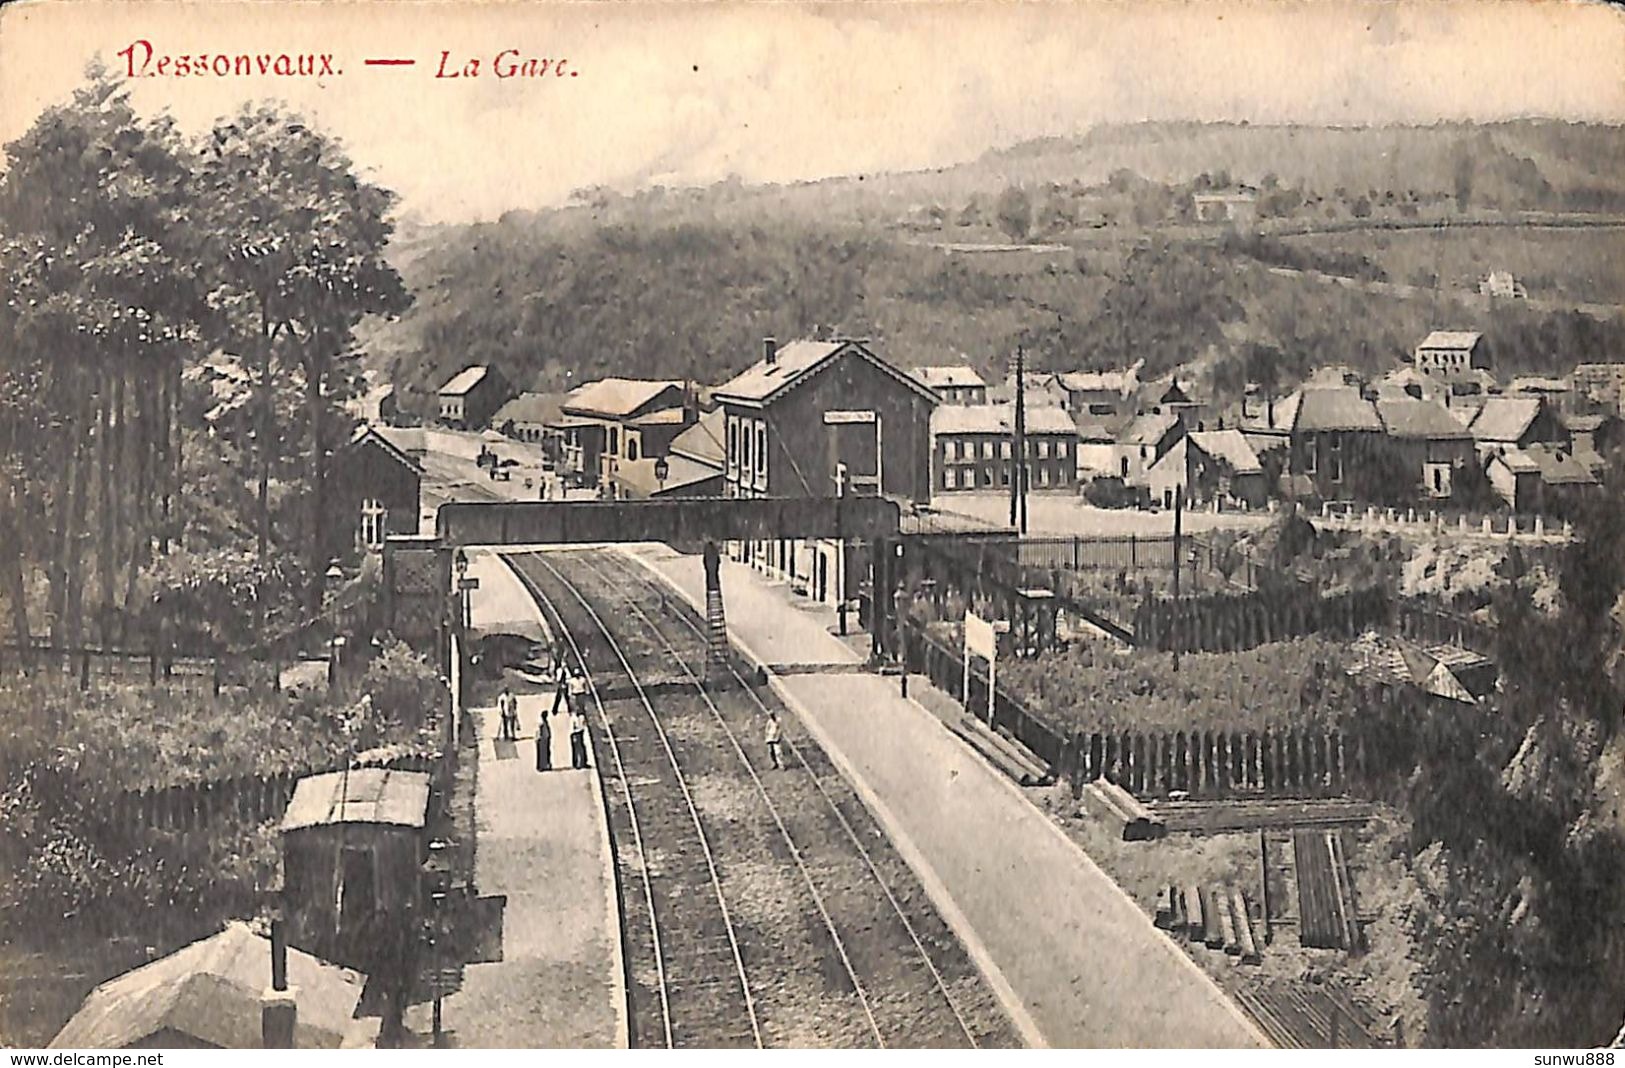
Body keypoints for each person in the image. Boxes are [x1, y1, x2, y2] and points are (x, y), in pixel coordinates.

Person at [569, 704, 589, 769]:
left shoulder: (581, 717)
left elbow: (585, 724)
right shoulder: (573, 717)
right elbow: (571, 727)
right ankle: (576, 764)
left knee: (581, 748)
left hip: (580, 733)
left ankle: (582, 763)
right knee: (576, 749)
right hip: (575, 733)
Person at [535, 706, 552, 772]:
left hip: (545, 739)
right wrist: (539, 738)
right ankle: (542, 766)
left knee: (546, 753)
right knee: (542, 754)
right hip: (542, 740)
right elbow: (539, 732)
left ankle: (545, 765)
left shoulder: (544, 721)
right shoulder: (541, 723)